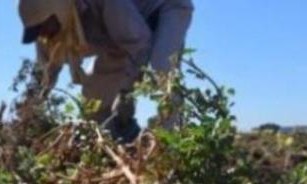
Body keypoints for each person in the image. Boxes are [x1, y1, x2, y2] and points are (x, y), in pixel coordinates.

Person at [18, 0, 194, 143]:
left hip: (163, 9)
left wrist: (126, 96)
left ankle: (166, 145)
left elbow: (140, 44)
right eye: (38, 31)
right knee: (93, 98)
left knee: (162, 68)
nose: (43, 34)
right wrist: (28, 116)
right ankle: (114, 143)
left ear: (56, 8)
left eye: (44, 26)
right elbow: (45, 75)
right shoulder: (48, 35)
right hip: (120, 39)